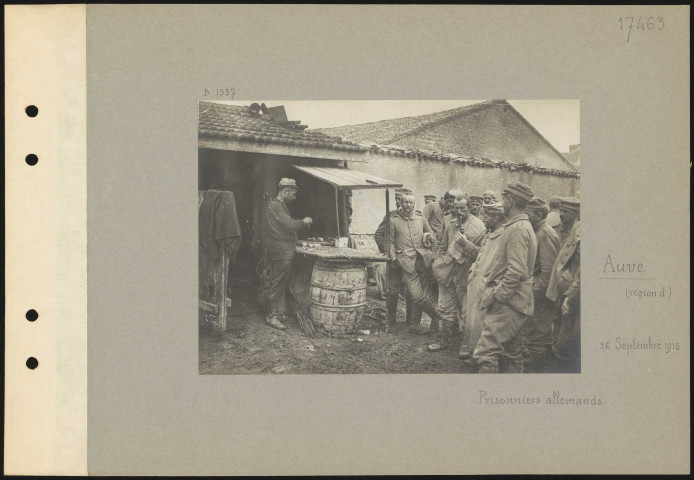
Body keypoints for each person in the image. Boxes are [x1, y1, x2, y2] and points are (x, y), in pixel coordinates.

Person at [472, 182, 537, 373]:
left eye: (504, 199)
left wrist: (497, 297)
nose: (502, 203)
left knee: (485, 354)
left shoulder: (517, 229)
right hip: (517, 301)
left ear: (510, 201)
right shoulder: (519, 226)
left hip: (509, 303)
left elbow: (516, 271)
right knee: (512, 353)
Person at [427, 195, 487, 352]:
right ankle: (445, 339)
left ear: (469, 208)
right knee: (445, 305)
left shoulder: (479, 226)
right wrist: (437, 262)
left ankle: (466, 345)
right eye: (456, 208)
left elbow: (483, 255)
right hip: (447, 271)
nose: (459, 211)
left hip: (466, 273)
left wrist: (466, 245)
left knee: (467, 310)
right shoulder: (449, 222)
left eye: (463, 208)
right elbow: (443, 244)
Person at [386, 193, 442, 333]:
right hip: (405, 262)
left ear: (414, 204)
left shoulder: (420, 219)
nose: (408, 205)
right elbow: (391, 242)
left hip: (422, 261)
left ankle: (414, 324)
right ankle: (435, 316)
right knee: (416, 294)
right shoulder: (393, 220)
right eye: (405, 202)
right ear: (401, 203)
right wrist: (393, 258)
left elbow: (433, 237)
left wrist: (431, 250)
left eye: (411, 202)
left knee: (420, 294)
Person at [459, 202, 506, 362]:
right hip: (477, 281)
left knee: (483, 321)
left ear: (496, 217)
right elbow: (482, 254)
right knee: (473, 317)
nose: (483, 218)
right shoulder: (490, 233)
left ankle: (482, 357)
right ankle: (473, 351)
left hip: (487, 283)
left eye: (486, 216)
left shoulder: (503, 235)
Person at [263, 178, 312, 330]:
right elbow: (289, 225)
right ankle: (271, 316)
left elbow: (283, 229)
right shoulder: (276, 206)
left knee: (280, 281)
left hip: (283, 248)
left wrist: (295, 241)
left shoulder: (279, 206)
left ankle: (278, 313)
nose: (295, 197)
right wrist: (304, 221)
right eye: (293, 193)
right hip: (281, 251)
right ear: (285, 191)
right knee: (277, 282)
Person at [521, 196, 561, 372]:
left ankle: (538, 372)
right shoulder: (536, 230)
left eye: (527, 213)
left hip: (541, 296)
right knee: (531, 334)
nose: (524, 216)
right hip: (533, 291)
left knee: (539, 336)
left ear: (538, 214)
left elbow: (548, 272)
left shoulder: (546, 234)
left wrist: (534, 295)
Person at [546, 202, 580, 373]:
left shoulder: (578, 230)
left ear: (576, 214)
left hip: (574, 291)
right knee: (558, 323)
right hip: (562, 286)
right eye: (561, 211)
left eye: (566, 212)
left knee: (568, 335)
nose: (562, 215)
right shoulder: (559, 230)